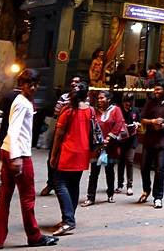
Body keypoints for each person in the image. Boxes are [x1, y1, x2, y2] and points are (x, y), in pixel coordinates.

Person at [0, 69, 59, 249]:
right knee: (27, 198)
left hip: (9, 150)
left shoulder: (22, 100)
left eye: (35, 84)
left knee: (5, 197)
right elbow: (14, 130)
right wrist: (16, 157)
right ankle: (34, 236)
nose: (33, 88)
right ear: (22, 84)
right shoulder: (22, 103)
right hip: (18, 153)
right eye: (29, 84)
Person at [50, 81, 92, 236]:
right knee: (74, 184)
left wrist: (53, 155)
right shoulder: (90, 110)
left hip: (68, 151)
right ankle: (69, 218)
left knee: (60, 184)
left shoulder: (67, 110)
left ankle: (68, 221)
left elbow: (59, 134)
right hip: (83, 152)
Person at [139, 78, 164, 208]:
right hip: (149, 140)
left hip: (163, 141)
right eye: (154, 89)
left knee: (160, 169)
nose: (155, 92)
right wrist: (153, 121)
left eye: (158, 89)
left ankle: (158, 197)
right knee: (144, 167)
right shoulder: (150, 103)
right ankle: (146, 189)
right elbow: (142, 119)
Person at [81, 90, 125, 206]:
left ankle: (110, 194)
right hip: (97, 146)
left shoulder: (116, 110)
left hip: (111, 146)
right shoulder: (94, 111)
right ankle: (90, 197)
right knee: (94, 172)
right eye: (99, 98)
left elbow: (119, 123)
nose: (99, 100)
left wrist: (109, 138)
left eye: (102, 98)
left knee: (109, 171)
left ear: (108, 99)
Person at [41, 75, 82, 197]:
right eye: (72, 81)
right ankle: (51, 183)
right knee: (51, 158)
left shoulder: (84, 100)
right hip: (61, 129)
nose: (74, 84)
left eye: (77, 82)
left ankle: (65, 184)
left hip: (75, 135)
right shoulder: (64, 97)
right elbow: (56, 113)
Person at [115, 93, 141, 195]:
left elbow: (139, 122)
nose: (128, 104)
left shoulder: (135, 111)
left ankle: (129, 186)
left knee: (129, 161)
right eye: (126, 102)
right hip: (121, 140)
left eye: (129, 102)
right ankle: (120, 184)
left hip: (132, 140)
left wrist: (137, 124)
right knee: (121, 162)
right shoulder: (118, 110)